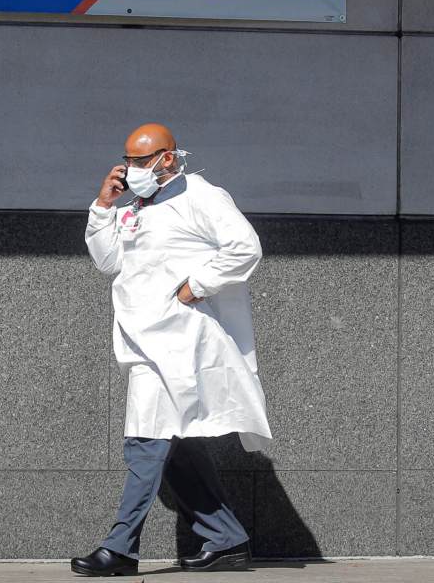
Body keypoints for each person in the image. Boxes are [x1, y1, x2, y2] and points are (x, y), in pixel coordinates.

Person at [71, 123, 272, 576]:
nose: (131, 170)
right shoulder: (133, 208)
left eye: (140, 162)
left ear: (167, 158)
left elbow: (245, 247)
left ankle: (120, 548)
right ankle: (227, 539)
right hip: (142, 341)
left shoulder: (201, 195)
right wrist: (104, 205)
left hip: (179, 342)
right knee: (176, 448)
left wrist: (195, 287)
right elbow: (108, 262)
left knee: (144, 441)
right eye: (127, 161)